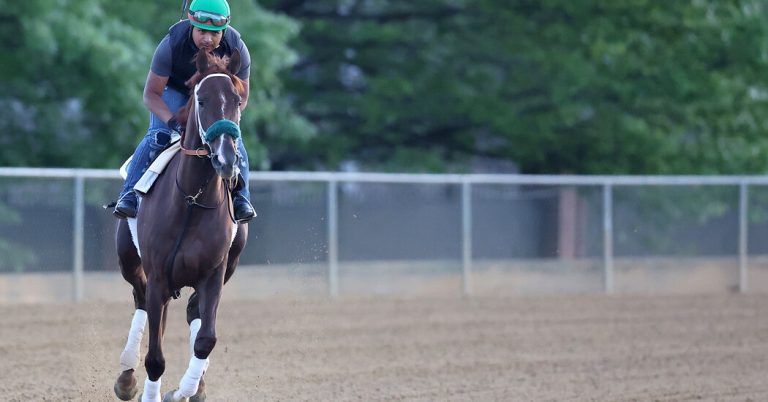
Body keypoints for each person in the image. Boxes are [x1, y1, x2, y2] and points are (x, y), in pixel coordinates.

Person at [114, 0, 255, 221]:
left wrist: (226, 122)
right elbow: (151, 95)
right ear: (191, 24)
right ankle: (129, 195)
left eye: (215, 33)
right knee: (159, 136)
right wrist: (171, 121)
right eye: (201, 31)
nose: (208, 39)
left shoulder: (238, 48)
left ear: (224, 31)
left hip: (214, 96)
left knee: (232, 138)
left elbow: (242, 96)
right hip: (175, 91)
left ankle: (242, 198)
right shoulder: (171, 44)